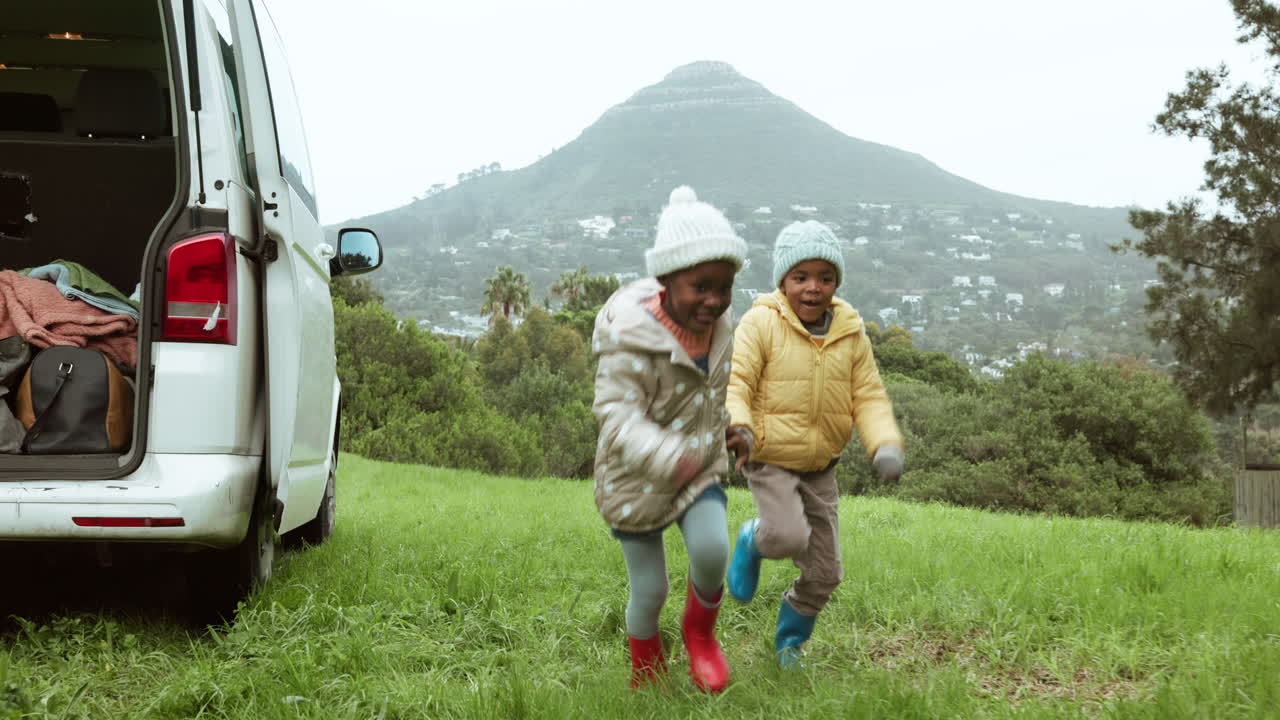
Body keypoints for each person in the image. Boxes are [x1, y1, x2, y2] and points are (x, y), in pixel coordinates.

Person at [723, 220, 904, 665]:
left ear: (836, 282)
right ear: (782, 280)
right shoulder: (761, 323)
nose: (813, 288)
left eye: (825, 277)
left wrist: (884, 443)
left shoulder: (849, 331)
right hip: (770, 459)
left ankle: (790, 643)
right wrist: (739, 426)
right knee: (786, 535)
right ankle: (753, 539)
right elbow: (737, 381)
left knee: (826, 572)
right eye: (800, 276)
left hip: (822, 469)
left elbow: (868, 394)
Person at [592, 186, 747, 692]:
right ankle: (648, 667)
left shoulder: (720, 328)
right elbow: (615, 415)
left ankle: (700, 633)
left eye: (724, 287)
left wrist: (730, 429)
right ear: (665, 281)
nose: (714, 300)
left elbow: (709, 398)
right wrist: (663, 453)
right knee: (650, 589)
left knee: (712, 550)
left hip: (697, 468)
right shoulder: (631, 341)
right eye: (700, 286)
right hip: (635, 482)